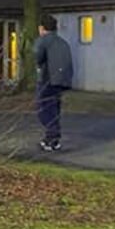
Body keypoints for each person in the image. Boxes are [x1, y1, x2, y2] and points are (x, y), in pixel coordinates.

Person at [33, 14, 73, 151]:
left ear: (41, 28)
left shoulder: (43, 41)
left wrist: (38, 65)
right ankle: (53, 139)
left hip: (47, 78)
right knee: (54, 108)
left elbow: (37, 56)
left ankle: (52, 137)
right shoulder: (62, 42)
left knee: (43, 108)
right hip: (61, 80)